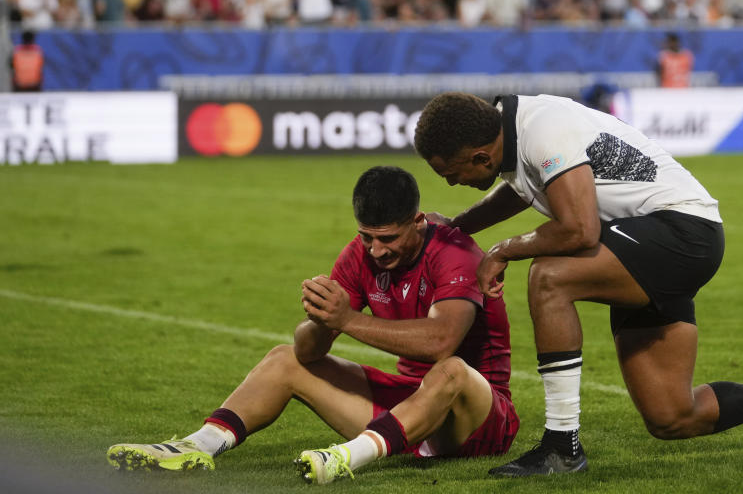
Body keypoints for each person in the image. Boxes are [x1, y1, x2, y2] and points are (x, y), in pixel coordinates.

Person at [414, 93, 743, 477]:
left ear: (480, 157)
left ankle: (561, 446)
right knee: (672, 416)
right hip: (644, 242)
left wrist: (502, 250)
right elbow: (526, 190)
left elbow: (579, 230)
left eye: (449, 173)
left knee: (549, 278)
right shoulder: (517, 133)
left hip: (681, 234)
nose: (452, 183)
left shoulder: (541, 128)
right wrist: (458, 226)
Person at [107, 166, 518, 485]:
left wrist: (348, 318)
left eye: (387, 239)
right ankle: (196, 446)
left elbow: (441, 343)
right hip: (409, 411)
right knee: (284, 359)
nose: (376, 250)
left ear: (416, 220)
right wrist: (322, 320)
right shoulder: (362, 254)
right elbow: (307, 352)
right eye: (366, 237)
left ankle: (345, 458)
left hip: (478, 421)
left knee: (451, 371)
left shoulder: (455, 252)